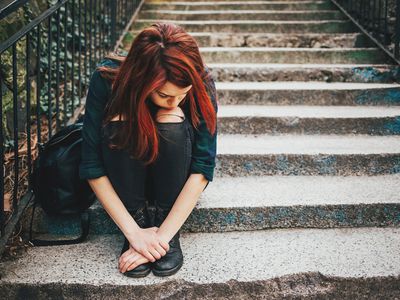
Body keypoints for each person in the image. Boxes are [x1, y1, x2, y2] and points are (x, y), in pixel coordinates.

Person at [79, 22, 218, 277]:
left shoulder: (201, 80)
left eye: (182, 94)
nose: (175, 101)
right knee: (121, 119)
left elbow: (202, 167)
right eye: (165, 94)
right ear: (143, 80)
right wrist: (135, 234)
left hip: (175, 179)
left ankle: (163, 219)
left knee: (170, 117)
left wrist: (161, 238)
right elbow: (91, 165)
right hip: (126, 176)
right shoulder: (108, 79)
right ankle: (140, 216)